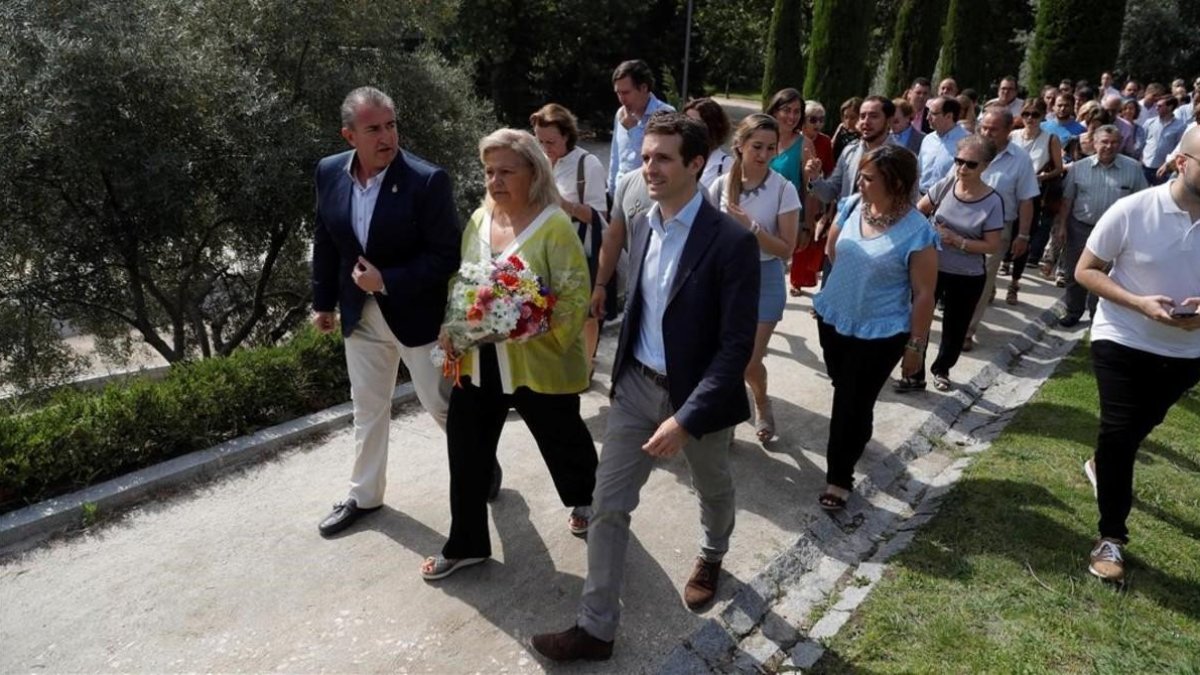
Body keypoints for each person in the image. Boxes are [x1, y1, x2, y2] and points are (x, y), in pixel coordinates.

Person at [531, 113, 760, 662]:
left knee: (713, 488)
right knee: (607, 506)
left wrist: (686, 418)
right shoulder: (641, 221)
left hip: (696, 400)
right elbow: (644, 305)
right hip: (636, 385)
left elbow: (735, 348)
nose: (647, 167)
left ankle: (712, 551)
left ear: (696, 164)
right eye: (645, 155)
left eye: (662, 158)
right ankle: (596, 628)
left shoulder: (731, 243)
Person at [420, 128, 598, 580]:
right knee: (465, 451)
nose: (495, 181)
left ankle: (590, 501)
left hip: (536, 361)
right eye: (489, 171)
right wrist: (453, 326)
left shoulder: (554, 224)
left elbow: (575, 294)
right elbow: (464, 280)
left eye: (506, 171)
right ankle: (467, 543)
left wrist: (533, 327)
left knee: (564, 440)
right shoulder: (481, 218)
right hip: (479, 362)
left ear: (533, 172)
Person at [311, 86, 461, 537]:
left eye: (391, 125)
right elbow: (326, 240)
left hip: (417, 317)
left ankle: (478, 465)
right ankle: (365, 495)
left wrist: (388, 281)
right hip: (360, 314)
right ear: (349, 134)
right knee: (368, 405)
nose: (386, 137)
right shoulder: (328, 172)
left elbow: (446, 257)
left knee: (441, 406)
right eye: (373, 128)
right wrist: (323, 302)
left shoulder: (427, 180)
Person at [1075, 126, 1200, 584]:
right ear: (1182, 162)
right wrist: (1140, 304)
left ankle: (1102, 464)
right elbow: (1086, 270)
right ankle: (1111, 538)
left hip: (1188, 349)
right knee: (1121, 431)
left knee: (1134, 431)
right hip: (1123, 336)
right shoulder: (1133, 210)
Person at [813, 145, 937, 508]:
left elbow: (925, 294)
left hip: (882, 333)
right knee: (849, 391)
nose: (860, 183)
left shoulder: (917, 231)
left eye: (869, 178)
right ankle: (860, 430)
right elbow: (834, 251)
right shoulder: (852, 205)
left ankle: (838, 478)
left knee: (848, 401)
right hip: (834, 319)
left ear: (895, 183)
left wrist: (915, 347)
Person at [710, 114, 801, 442]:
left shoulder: (784, 189)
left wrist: (752, 229)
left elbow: (786, 250)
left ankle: (761, 402)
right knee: (724, 355)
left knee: (749, 360)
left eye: (770, 148)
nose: (763, 154)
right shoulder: (720, 184)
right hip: (726, 279)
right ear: (740, 145)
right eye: (757, 146)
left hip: (765, 279)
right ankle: (728, 420)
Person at [907, 136, 1004, 392]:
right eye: (958, 161)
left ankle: (942, 369)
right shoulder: (946, 184)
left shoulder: (993, 201)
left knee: (955, 327)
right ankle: (914, 372)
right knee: (920, 321)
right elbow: (919, 212)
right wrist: (926, 234)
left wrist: (958, 241)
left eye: (970, 164)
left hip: (968, 274)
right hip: (931, 268)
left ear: (985, 165)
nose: (962, 168)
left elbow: (992, 245)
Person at [531, 103, 609, 375]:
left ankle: (584, 368)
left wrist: (564, 204)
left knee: (586, 314)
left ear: (567, 135)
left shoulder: (588, 164)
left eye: (550, 141)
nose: (545, 147)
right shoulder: (540, 161)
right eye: (540, 141)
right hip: (545, 251)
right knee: (546, 309)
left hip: (580, 251)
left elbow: (600, 218)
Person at [1052, 125, 1149, 328]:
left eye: (1114, 142)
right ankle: (1073, 311)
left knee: (1105, 276)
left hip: (1117, 232)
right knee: (1074, 273)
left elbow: (1143, 202)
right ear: (1094, 143)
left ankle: (1097, 315)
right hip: (1080, 228)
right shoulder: (1079, 167)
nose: (1109, 146)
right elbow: (1067, 200)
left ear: (1120, 144)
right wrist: (1061, 227)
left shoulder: (1133, 168)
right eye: (1104, 142)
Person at [963, 105, 1039, 350]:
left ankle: (966, 331)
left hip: (996, 229)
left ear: (1008, 130)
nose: (986, 133)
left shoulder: (1020, 160)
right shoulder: (969, 150)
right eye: (983, 127)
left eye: (993, 129)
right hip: (961, 221)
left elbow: (1027, 199)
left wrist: (1024, 235)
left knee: (982, 280)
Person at [1003, 99, 1063, 305]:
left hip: (1032, 194)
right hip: (1009, 193)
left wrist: (1039, 178)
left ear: (1043, 116)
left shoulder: (1050, 139)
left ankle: (1014, 282)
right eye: (1026, 114)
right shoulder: (1013, 136)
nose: (1030, 118)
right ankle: (999, 268)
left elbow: (1058, 168)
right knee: (1003, 232)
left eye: (1035, 115)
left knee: (1023, 236)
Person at [608, 60, 674, 193]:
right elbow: (615, 157)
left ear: (644, 88)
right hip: (620, 194)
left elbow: (657, 158)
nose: (621, 99)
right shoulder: (620, 114)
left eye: (626, 92)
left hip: (647, 195)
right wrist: (611, 191)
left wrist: (633, 130)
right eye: (618, 93)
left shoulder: (665, 114)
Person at [790, 100, 834, 295]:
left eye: (821, 120)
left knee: (810, 241)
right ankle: (794, 277)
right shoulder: (794, 140)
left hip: (816, 195)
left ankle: (801, 279)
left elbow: (831, 169)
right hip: (795, 193)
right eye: (812, 119)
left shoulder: (825, 141)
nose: (817, 124)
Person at [918, 96, 969, 194]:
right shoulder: (928, 139)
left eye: (933, 114)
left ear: (949, 116)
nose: (927, 117)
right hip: (921, 197)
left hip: (946, 200)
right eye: (928, 112)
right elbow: (919, 171)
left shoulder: (966, 142)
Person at [682, 97, 733, 190]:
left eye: (695, 123)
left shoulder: (726, 164)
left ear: (712, 127)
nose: (688, 128)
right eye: (685, 121)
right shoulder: (679, 157)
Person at [1141, 95, 1186, 186]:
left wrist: (1168, 165)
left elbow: (1178, 147)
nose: (1156, 108)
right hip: (1145, 166)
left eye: (1160, 106)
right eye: (1156, 105)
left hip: (1163, 169)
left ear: (1170, 107)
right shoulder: (1149, 122)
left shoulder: (1180, 126)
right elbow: (1142, 142)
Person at [832, 97, 863, 162]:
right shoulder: (841, 128)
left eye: (852, 118)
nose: (848, 121)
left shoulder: (864, 133)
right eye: (846, 117)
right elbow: (831, 146)